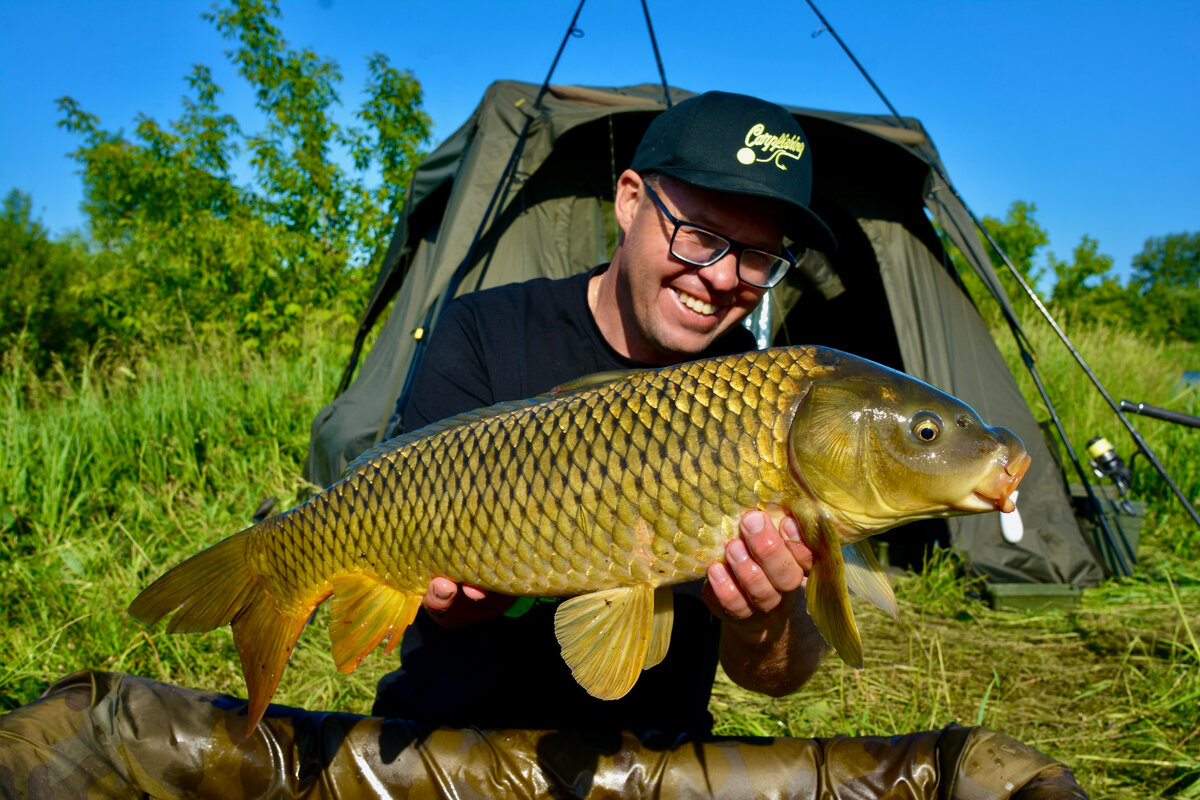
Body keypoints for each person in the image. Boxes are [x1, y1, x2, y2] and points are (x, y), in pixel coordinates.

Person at [372, 90, 839, 736]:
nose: (722, 277)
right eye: (701, 235)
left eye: (757, 256)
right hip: (454, 737)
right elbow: (422, 579)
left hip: (650, 758)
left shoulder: (760, 399)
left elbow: (777, 676)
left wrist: (766, 619)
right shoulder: (483, 332)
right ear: (628, 201)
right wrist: (462, 602)